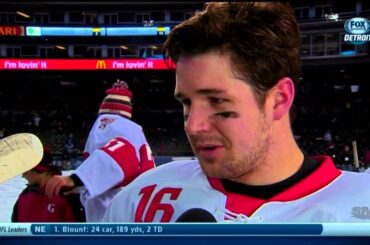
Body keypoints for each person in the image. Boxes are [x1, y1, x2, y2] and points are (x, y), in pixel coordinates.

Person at [103, 2, 370, 223]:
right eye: (186, 102)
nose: (193, 125)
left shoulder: (360, 209)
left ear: (278, 99)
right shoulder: (142, 197)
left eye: (217, 101)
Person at [45, 80, 156, 222]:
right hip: (139, 208)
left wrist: (77, 179)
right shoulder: (135, 132)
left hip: (115, 215)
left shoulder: (115, 126)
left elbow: (121, 156)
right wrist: (82, 187)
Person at [12, 148, 85, 222]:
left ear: (40, 170)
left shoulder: (68, 196)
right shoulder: (25, 195)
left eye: (25, 172)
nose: (23, 176)